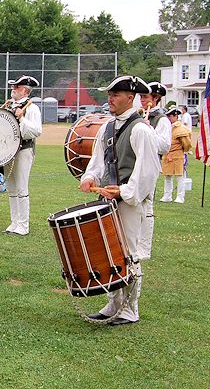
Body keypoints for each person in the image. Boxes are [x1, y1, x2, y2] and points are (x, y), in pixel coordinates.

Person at [79, 75, 161, 326]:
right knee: (110, 252)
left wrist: (124, 192)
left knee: (129, 253)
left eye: (115, 95)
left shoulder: (141, 129)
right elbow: (99, 160)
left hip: (131, 202)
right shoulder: (108, 126)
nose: (110, 99)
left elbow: (148, 170)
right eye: (110, 94)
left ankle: (130, 309)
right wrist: (90, 176)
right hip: (110, 198)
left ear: (130, 97)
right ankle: (114, 303)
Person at [1, 75, 42, 236]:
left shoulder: (32, 108)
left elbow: (36, 131)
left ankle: (23, 225)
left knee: (21, 187)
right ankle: (15, 222)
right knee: (11, 187)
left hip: (23, 150)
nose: (13, 89)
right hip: (8, 152)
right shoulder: (9, 105)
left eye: (16, 87)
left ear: (25, 90)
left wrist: (22, 118)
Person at [137, 82, 171, 261]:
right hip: (136, 165)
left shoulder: (162, 119)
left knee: (147, 205)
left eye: (146, 98)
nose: (142, 101)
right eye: (141, 97)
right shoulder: (139, 115)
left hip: (150, 166)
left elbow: (164, 146)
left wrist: (148, 129)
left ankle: (145, 248)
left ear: (156, 99)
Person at [160, 106, 192, 204]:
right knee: (167, 177)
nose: (169, 118)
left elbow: (186, 144)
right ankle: (167, 195)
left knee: (179, 177)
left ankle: (180, 197)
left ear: (175, 116)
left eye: (171, 116)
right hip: (167, 155)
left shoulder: (181, 129)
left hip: (177, 155)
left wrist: (182, 152)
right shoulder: (167, 127)